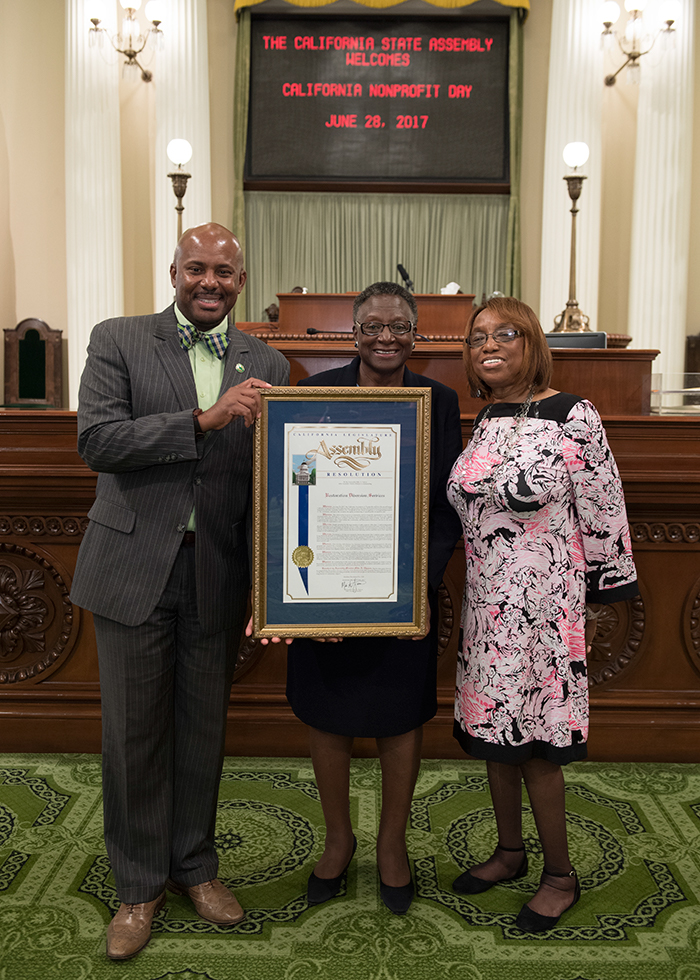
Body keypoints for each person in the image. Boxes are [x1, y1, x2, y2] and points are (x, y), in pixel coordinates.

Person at [71, 223, 289, 960]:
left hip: (219, 572)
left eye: (224, 273)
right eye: (197, 268)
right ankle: (138, 886)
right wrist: (203, 419)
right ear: (173, 271)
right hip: (133, 566)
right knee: (133, 734)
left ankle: (195, 867)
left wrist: (275, 583)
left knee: (202, 729)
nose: (210, 283)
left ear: (241, 281)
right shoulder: (119, 338)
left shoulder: (270, 362)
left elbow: (275, 482)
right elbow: (98, 441)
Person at [447, 297, 638, 932]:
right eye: (477, 338)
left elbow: (604, 506)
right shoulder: (487, 417)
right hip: (486, 607)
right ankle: (509, 852)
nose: (489, 345)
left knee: (537, 748)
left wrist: (607, 591)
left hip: (544, 614)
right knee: (496, 741)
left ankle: (560, 874)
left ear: (533, 342)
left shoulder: (572, 415)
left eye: (505, 333)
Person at [285, 281, 463, 915]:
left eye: (399, 326)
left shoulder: (437, 401)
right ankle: (337, 841)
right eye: (373, 325)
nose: (386, 336)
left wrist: (417, 586)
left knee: (399, 716)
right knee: (325, 711)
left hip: (402, 592)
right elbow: (296, 482)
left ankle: (392, 846)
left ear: (415, 335)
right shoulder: (311, 394)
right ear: (353, 332)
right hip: (324, 588)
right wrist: (299, 584)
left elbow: (447, 500)